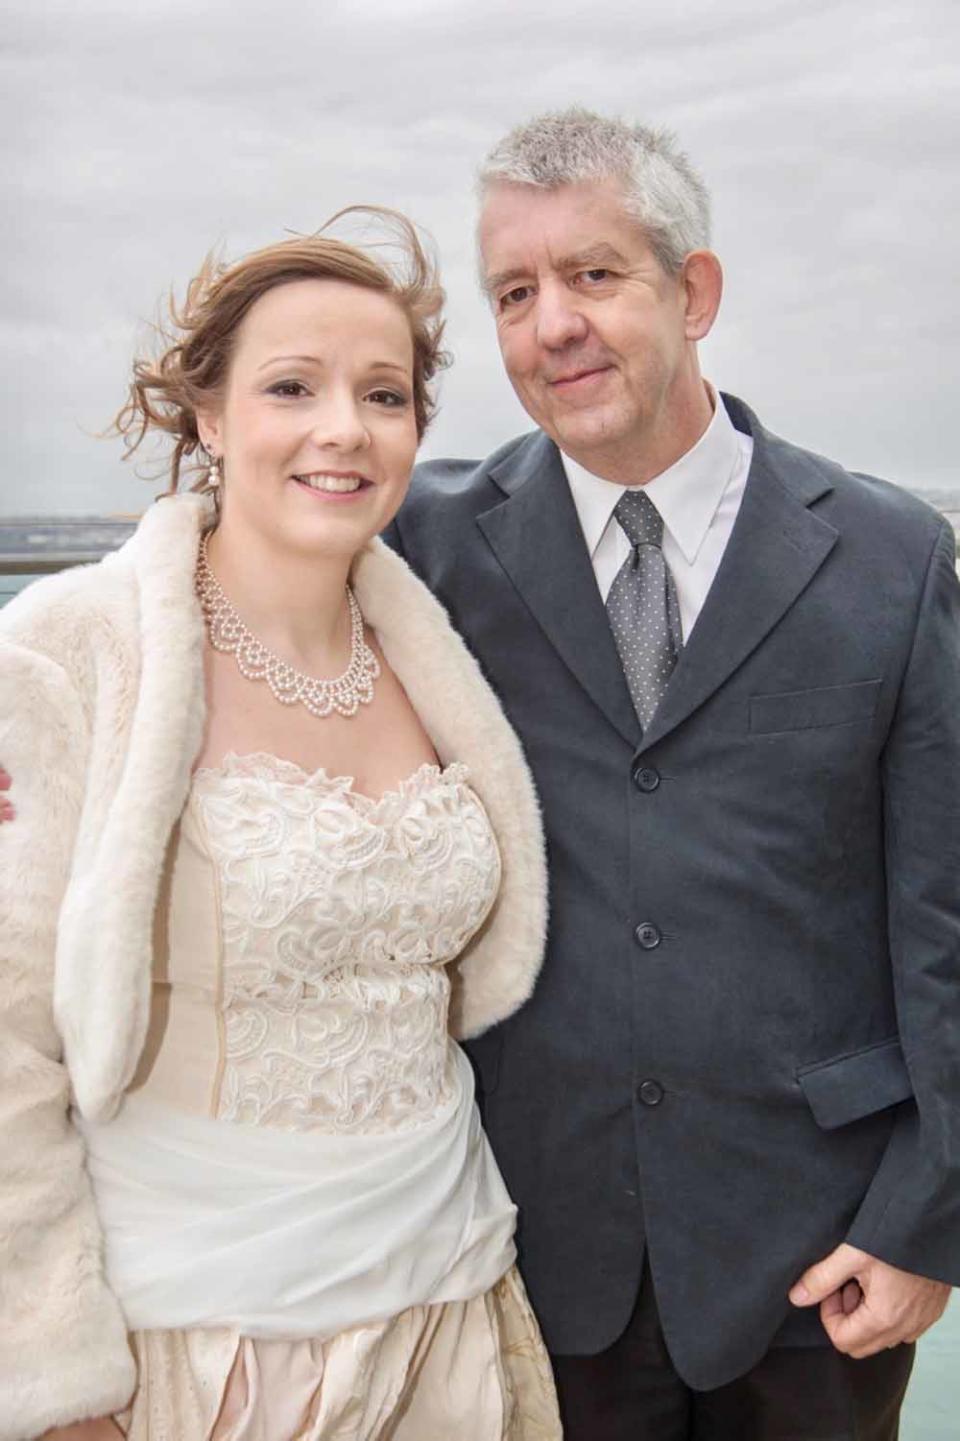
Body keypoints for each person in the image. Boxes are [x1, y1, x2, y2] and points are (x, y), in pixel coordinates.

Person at [383, 109, 959, 1440]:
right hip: (536, 1248)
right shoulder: (431, 544)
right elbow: (234, 593)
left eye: (593, 276)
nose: (553, 326)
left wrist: (929, 1219)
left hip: (823, 1261)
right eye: (515, 293)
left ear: (692, 291)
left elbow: (942, 912)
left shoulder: (885, 552)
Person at [0, 212, 562, 1440]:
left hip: (447, 1313)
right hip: (188, 1349)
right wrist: (54, 1385)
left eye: (385, 394)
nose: (344, 430)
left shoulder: (439, 659)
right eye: (291, 387)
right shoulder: (70, 652)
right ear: (207, 414)